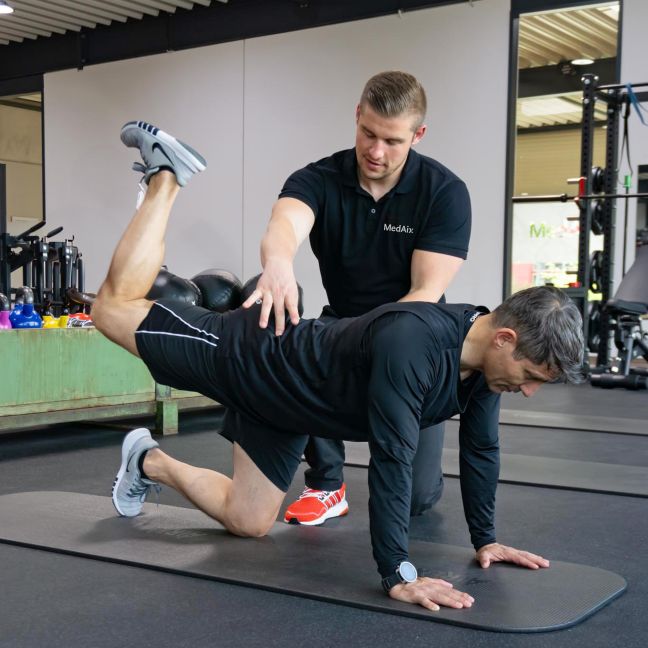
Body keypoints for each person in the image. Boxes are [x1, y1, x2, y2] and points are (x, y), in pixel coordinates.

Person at [92, 121, 585, 611]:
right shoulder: (413, 341)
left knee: (248, 520)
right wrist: (398, 573)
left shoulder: (484, 369)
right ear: (505, 339)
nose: (528, 391)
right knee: (111, 310)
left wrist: (486, 539)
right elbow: (392, 459)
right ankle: (167, 176)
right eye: (531, 377)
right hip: (254, 359)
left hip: (288, 410)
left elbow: (481, 449)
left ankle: (147, 461)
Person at [242, 71, 472, 525]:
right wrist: (278, 262)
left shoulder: (444, 192)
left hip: (415, 335)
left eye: (392, 140)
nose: (376, 151)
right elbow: (286, 222)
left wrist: (377, 355)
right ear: (357, 115)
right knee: (292, 337)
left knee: (415, 499)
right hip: (343, 324)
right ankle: (327, 483)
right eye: (368, 133)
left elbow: (424, 293)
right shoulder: (319, 178)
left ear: (418, 135)